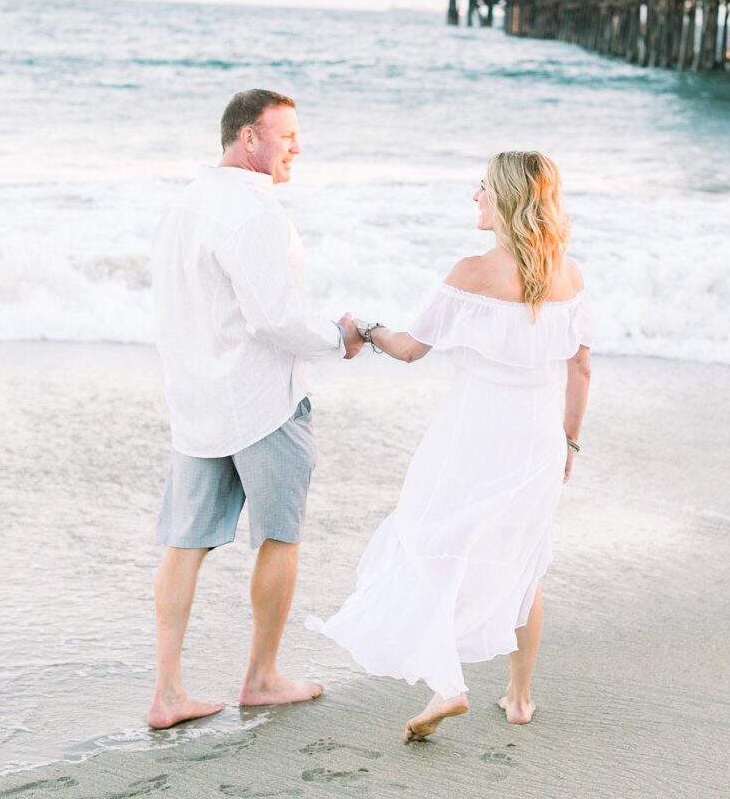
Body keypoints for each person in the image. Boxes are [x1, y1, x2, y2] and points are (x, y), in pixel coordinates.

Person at [311, 150, 593, 742]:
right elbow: (581, 368)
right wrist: (569, 441)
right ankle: (518, 698)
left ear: (508, 199)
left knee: (433, 544)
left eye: (484, 187)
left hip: (471, 436)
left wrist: (365, 328)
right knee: (523, 561)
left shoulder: (471, 271)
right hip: (540, 439)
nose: (475, 196)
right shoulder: (568, 275)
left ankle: (449, 685)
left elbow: (411, 348)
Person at [146, 88, 363, 729]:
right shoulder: (255, 212)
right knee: (279, 535)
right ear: (249, 138)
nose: (297, 146)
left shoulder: (184, 204)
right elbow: (275, 321)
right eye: (286, 134)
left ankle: (167, 694)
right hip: (263, 401)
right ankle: (262, 678)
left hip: (197, 401)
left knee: (184, 545)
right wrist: (341, 336)